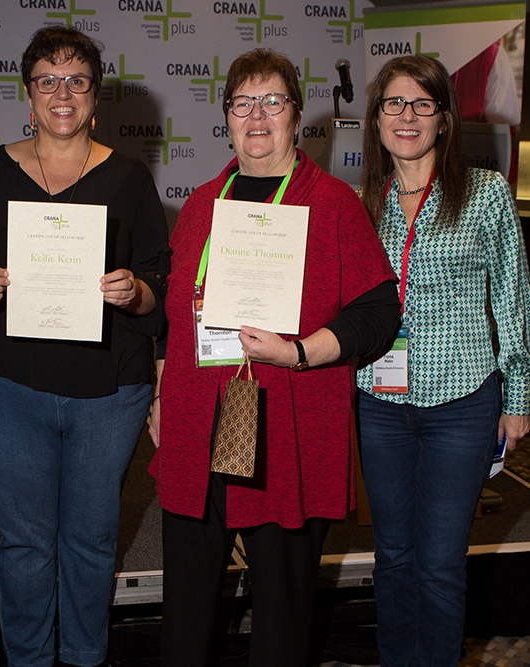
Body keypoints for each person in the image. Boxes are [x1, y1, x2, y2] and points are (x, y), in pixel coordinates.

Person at [148, 48, 401, 667]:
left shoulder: (335, 205)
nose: (256, 117)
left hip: (292, 420)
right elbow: (168, 321)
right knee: (186, 604)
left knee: (283, 611)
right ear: (227, 118)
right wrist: (160, 395)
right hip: (198, 419)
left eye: (273, 102)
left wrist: (297, 351)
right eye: (242, 104)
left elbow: (378, 316)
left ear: (295, 116)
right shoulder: (202, 206)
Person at [0, 26, 170, 667]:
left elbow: (160, 280)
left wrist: (136, 294)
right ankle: (30, 660)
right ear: (28, 92)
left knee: (93, 541)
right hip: (6, 387)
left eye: (76, 81)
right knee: (25, 544)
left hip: (108, 391)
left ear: (95, 96)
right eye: (47, 80)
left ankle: (85, 658)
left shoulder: (129, 178)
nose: (61, 93)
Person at [357, 55, 530, 667]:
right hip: (378, 404)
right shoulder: (360, 203)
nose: (407, 116)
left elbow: (513, 298)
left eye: (422, 104)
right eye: (394, 104)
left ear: (445, 119)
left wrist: (519, 401)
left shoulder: (484, 194)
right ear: (376, 119)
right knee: (393, 558)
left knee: (438, 563)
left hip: (462, 405)